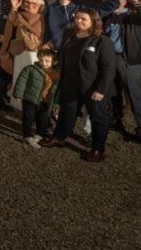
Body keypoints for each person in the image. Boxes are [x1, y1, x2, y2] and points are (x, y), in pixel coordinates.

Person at [42, 9, 116, 162]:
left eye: (83, 19)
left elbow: (108, 68)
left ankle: (97, 149)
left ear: (94, 21)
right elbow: (63, 55)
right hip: (70, 82)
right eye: (77, 18)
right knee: (67, 112)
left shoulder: (102, 41)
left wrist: (101, 90)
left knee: (97, 117)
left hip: (93, 87)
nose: (78, 21)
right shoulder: (69, 34)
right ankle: (59, 138)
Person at [99, 0, 141, 144]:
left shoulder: (131, 16)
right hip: (110, 59)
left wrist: (137, 4)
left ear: (122, 2)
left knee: (135, 95)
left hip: (128, 59)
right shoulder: (107, 17)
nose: (107, 4)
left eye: (111, 1)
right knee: (112, 92)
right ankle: (115, 121)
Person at [0, 0, 45, 101]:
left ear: (40, 5)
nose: (29, 5)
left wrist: (23, 23)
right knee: (19, 78)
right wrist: (14, 9)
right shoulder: (19, 16)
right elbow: (11, 23)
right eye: (27, 2)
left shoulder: (42, 18)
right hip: (20, 53)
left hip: (35, 53)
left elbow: (41, 35)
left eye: (34, 3)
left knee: (32, 80)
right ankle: (18, 104)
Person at [12, 44, 59, 148]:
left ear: (54, 62)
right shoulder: (31, 69)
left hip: (44, 102)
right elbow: (21, 81)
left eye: (47, 61)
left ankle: (39, 135)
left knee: (42, 120)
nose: (43, 63)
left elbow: (57, 92)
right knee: (28, 117)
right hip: (30, 99)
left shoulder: (56, 75)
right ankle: (27, 136)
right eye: (41, 60)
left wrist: (56, 105)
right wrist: (18, 94)